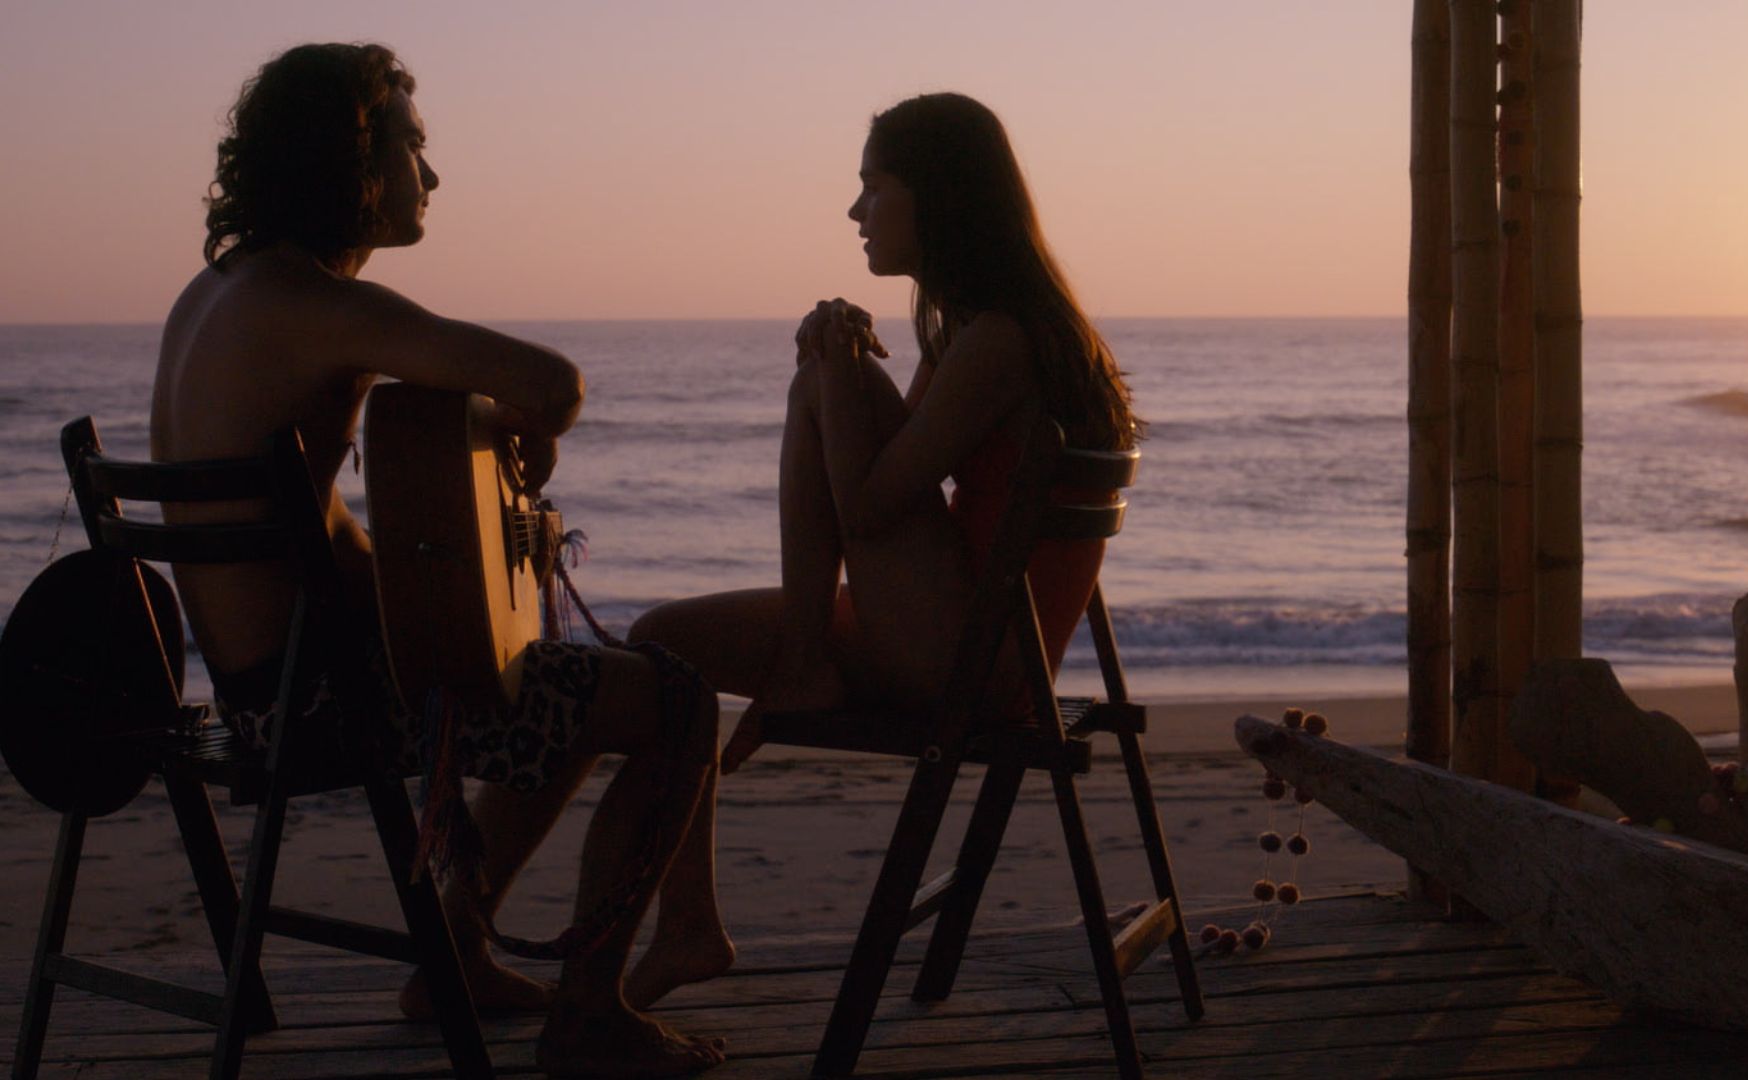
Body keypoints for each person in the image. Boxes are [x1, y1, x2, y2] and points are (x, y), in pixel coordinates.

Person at [150, 43, 725, 1077]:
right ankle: (591, 1011)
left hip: (257, 692)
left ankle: (455, 950)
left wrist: (450, 590)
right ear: (356, 163)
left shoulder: (219, 293)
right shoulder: (321, 309)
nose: (434, 172)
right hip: (324, 706)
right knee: (678, 705)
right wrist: (528, 429)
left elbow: (313, 533)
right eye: (415, 146)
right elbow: (556, 380)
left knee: (563, 683)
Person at [628, 92, 1141, 778]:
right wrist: (837, 371)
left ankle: (804, 665)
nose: (854, 212)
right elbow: (882, 473)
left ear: (938, 196)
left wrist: (837, 374)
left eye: (872, 188)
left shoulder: (998, 340)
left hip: (972, 672)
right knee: (661, 640)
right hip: (976, 649)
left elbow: (868, 509)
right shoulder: (981, 330)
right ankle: (695, 876)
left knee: (823, 377)